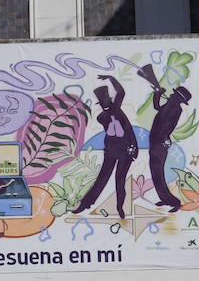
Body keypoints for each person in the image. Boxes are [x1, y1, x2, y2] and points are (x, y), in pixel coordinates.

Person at [73, 74, 139, 220]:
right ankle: (85, 204)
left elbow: (121, 93)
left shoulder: (115, 109)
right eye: (103, 103)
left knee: (120, 181)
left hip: (125, 151)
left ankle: (120, 208)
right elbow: (110, 127)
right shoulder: (102, 117)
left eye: (106, 101)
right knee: (102, 179)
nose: (105, 105)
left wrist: (111, 78)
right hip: (110, 151)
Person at [137, 64, 191, 214]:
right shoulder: (170, 105)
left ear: (178, 99)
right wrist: (157, 94)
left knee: (158, 173)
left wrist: (160, 94)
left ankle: (174, 201)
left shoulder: (175, 109)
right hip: (156, 142)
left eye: (175, 95)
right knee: (155, 173)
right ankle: (165, 199)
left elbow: (166, 124)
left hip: (159, 143)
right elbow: (156, 107)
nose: (172, 95)